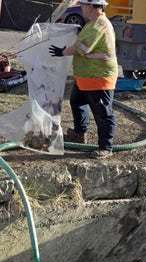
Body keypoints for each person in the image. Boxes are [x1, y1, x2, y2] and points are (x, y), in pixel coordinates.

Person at [48, 0, 119, 159]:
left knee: (103, 113)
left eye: (83, 5)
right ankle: (79, 133)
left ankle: (106, 148)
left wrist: (62, 52)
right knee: (77, 102)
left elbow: (82, 48)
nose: (81, 9)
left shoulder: (97, 26)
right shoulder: (93, 23)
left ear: (93, 6)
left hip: (98, 78)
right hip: (86, 77)